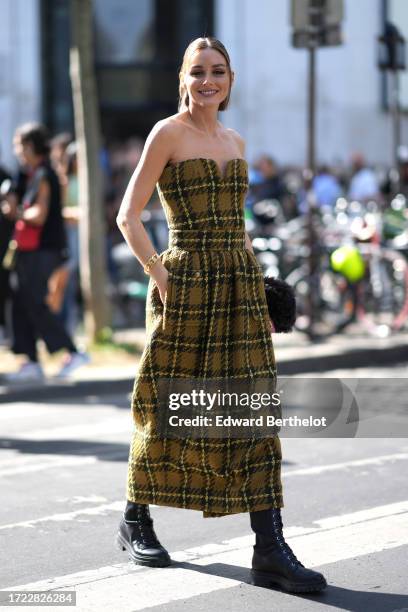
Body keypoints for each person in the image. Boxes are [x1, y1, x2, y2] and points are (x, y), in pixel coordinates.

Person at [115, 37, 327, 593]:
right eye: (197, 72)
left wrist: (261, 286)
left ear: (230, 79)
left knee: (253, 410)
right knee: (169, 402)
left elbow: (237, 225)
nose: (208, 80)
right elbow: (127, 217)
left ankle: (270, 545)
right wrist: (162, 279)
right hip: (185, 284)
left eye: (218, 71)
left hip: (237, 284)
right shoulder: (167, 133)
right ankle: (135, 518)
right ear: (182, 79)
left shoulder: (235, 140)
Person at [1, 122, 89, 381]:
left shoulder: (44, 175)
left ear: (30, 146)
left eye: (19, 145)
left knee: (36, 302)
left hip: (42, 250)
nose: (16, 151)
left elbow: (38, 216)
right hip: (28, 250)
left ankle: (72, 352)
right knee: (19, 302)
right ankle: (30, 360)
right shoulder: (29, 174)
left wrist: (16, 212)